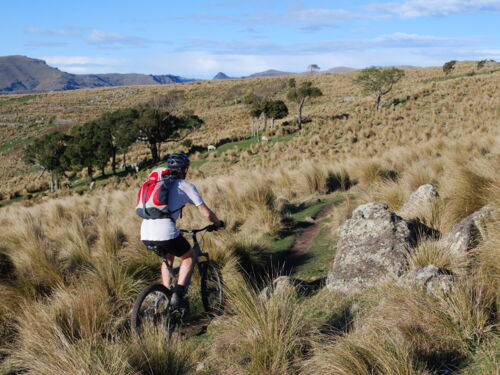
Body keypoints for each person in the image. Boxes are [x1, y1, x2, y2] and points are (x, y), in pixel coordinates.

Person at [140, 152, 223, 309]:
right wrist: (218, 223)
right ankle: (177, 296)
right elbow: (207, 214)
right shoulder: (185, 186)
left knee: (168, 257)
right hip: (164, 230)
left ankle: (165, 296)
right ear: (185, 170)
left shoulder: (158, 183)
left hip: (145, 231)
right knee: (189, 257)